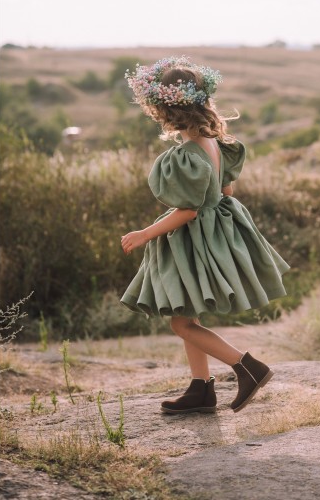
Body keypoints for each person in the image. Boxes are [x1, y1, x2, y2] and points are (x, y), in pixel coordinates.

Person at [119, 55, 290, 415]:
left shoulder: (187, 155)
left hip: (195, 237)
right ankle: (200, 390)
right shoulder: (217, 143)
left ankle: (247, 367)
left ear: (165, 110)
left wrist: (145, 233)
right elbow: (224, 192)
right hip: (212, 234)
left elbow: (190, 210)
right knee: (188, 313)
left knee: (181, 322)